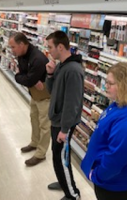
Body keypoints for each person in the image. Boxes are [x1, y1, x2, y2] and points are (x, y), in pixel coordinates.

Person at [81, 62, 127, 200]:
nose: (105, 86)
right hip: (110, 180)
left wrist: (97, 175)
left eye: (110, 83)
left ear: (125, 86)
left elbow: (116, 158)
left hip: (114, 185)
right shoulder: (119, 104)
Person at [45, 31, 84, 200]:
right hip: (57, 120)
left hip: (63, 123)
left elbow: (72, 104)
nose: (49, 51)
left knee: (62, 158)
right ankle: (63, 182)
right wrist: (50, 74)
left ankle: (72, 194)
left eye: (50, 47)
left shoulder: (73, 70)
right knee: (56, 154)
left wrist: (65, 128)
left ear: (60, 47)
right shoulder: (61, 65)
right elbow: (52, 91)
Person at [9, 32, 51, 167]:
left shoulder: (37, 58)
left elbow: (25, 78)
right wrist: (28, 81)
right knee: (33, 118)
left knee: (45, 125)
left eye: (13, 47)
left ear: (22, 44)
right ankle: (34, 142)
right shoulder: (22, 55)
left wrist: (26, 80)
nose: (12, 50)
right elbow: (22, 77)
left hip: (45, 96)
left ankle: (41, 153)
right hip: (34, 93)